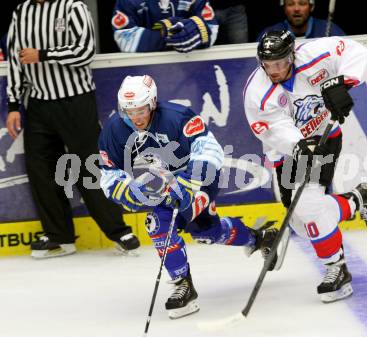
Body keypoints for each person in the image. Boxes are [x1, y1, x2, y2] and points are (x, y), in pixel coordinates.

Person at [98, 74, 281, 319]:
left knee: (159, 222)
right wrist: (130, 192)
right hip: (166, 183)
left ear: (152, 103)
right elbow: (110, 175)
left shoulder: (178, 117)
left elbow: (211, 151)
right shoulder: (114, 130)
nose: (135, 117)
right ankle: (259, 238)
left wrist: (187, 184)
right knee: (207, 233)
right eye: (129, 111)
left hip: (200, 180)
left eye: (140, 110)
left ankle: (183, 286)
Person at [243, 30, 367, 303]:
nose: (274, 70)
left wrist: (342, 82)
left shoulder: (315, 54)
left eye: (280, 63)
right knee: (298, 219)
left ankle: (336, 268)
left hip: (325, 138)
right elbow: (270, 129)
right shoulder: (257, 92)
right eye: (268, 65)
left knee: (307, 206)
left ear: (292, 55)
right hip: (285, 152)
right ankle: (358, 199)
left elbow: (357, 51)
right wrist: (297, 143)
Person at [5, 0, 140, 259]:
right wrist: (13, 103)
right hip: (38, 103)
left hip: (76, 100)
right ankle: (59, 236)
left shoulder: (73, 8)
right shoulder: (21, 11)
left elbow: (85, 52)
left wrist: (43, 55)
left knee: (89, 166)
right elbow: (15, 59)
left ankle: (118, 231)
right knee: (41, 171)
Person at [111, 0, 218, 53]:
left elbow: (210, 27)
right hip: (143, 71)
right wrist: (168, 34)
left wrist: (199, 31)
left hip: (189, 69)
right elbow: (125, 39)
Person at [258, 0, 345, 41]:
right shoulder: (269, 34)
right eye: (290, 4)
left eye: (302, 3)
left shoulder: (331, 30)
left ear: (311, 7)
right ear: (284, 8)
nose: (296, 9)